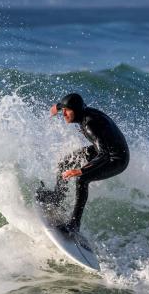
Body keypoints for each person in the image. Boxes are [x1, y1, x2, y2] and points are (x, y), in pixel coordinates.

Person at [36, 93, 130, 235]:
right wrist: (58, 106)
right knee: (65, 162)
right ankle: (58, 196)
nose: (64, 114)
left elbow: (104, 155)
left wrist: (81, 170)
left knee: (82, 179)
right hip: (104, 148)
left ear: (76, 110)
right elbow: (70, 104)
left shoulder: (89, 125)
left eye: (67, 111)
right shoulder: (81, 110)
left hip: (116, 158)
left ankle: (74, 224)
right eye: (63, 110)